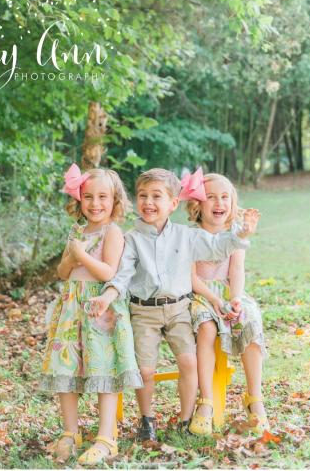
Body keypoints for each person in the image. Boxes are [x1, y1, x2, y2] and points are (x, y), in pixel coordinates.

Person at [88, 168, 260, 440]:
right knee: (145, 369)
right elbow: (121, 277)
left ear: (173, 203)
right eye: (143, 195)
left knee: (188, 363)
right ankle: (147, 419)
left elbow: (216, 247)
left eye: (157, 196)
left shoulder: (185, 235)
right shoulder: (131, 238)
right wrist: (106, 297)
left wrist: (240, 234)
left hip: (179, 309)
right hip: (145, 311)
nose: (149, 202)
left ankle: (185, 418)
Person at [41, 165, 142, 465]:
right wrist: (72, 256)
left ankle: (106, 437)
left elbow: (108, 272)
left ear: (115, 201)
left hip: (100, 309)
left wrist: (81, 255)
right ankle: (71, 433)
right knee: (66, 369)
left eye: (102, 197)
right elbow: (61, 272)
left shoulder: (112, 232)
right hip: (72, 309)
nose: (95, 204)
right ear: (79, 199)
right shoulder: (76, 232)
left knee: (103, 370)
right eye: (88, 197)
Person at [185, 171, 269, 436]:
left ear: (232, 204)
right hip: (200, 294)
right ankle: (206, 401)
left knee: (251, 321)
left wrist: (234, 298)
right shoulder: (189, 236)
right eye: (211, 197)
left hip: (228, 291)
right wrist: (216, 300)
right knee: (207, 327)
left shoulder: (235, 235)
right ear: (198, 204)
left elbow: (237, 271)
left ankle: (255, 399)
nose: (219, 203)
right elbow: (191, 278)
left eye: (225, 197)